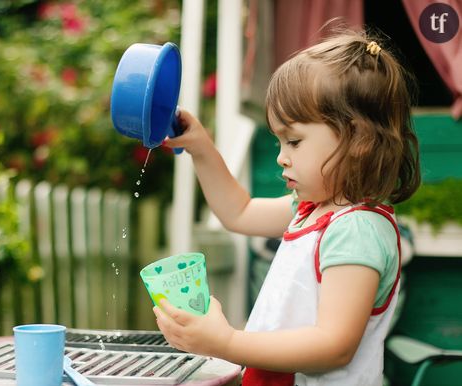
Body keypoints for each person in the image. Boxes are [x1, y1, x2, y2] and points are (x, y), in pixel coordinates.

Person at [154, 28, 421, 386]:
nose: (282, 157)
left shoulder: (356, 231)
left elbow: (334, 345)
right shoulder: (310, 209)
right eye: (279, 142)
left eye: (294, 141)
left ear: (358, 139)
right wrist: (202, 148)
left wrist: (228, 342)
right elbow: (239, 212)